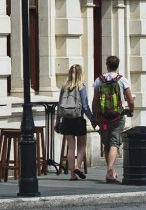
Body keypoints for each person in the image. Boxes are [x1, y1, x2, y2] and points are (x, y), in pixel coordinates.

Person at [92, 55, 134, 183]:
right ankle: (110, 171)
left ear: (107, 65)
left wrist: (95, 116)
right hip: (118, 116)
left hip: (103, 117)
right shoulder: (122, 80)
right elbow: (130, 100)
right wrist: (131, 110)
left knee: (107, 144)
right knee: (115, 143)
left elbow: (95, 101)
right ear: (117, 65)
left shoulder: (99, 80)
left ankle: (110, 171)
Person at [56, 64, 96, 180]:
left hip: (66, 120)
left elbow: (59, 106)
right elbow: (85, 106)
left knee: (71, 148)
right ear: (81, 74)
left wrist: (58, 122)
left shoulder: (64, 87)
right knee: (82, 146)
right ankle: (78, 166)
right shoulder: (81, 87)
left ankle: (72, 175)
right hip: (78, 119)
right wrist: (93, 119)